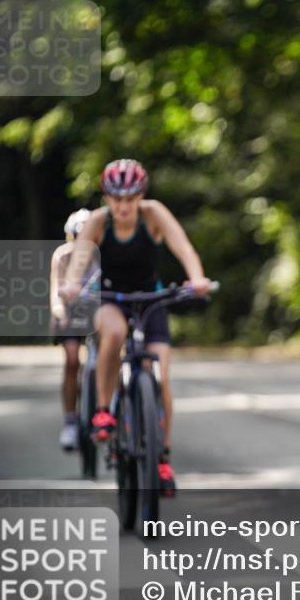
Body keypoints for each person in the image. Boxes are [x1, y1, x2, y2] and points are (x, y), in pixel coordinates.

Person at [66, 159, 212, 497]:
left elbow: (183, 246)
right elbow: (79, 261)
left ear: (140, 195)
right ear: (106, 197)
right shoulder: (99, 223)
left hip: (151, 298)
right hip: (111, 296)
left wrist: (197, 278)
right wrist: (72, 285)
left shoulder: (153, 215)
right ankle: (104, 411)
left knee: (160, 373)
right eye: (116, 198)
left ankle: (162, 457)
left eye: (130, 198)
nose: (123, 205)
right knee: (113, 334)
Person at [49, 209, 93, 452]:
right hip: (70, 314)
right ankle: (70, 421)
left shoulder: (101, 256)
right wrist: (60, 313)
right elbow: (55, 293)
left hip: (98, 312)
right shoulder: (62, 256)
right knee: (73, 359)